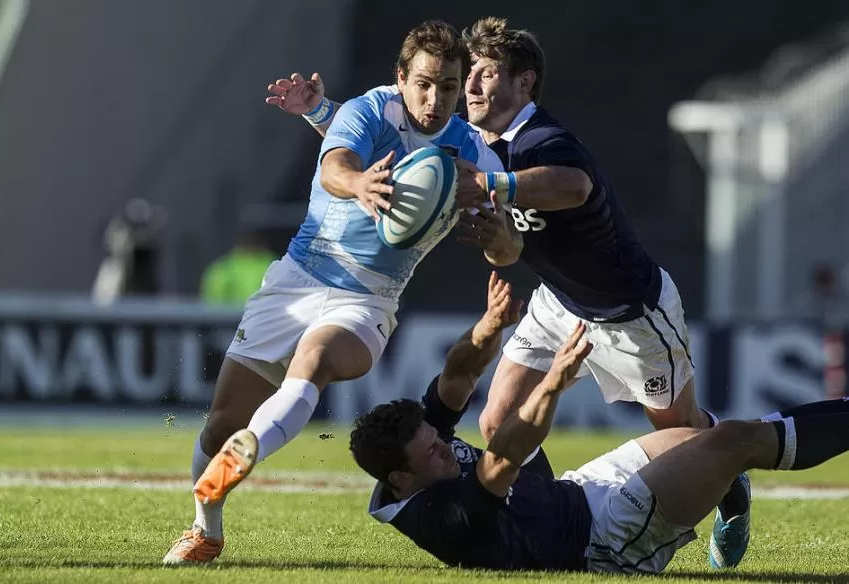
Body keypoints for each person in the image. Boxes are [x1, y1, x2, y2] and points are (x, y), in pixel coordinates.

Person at [266, 16, 750, 568]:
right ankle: (538, 503)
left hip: (626, 307)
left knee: (683, 436)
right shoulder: (470, 143)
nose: (469, 86)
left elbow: (575, 186)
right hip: (558, 301)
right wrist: (321, 113)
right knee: (496, 420)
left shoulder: (542, 139)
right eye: (466, 74)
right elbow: (393, 155)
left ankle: (731, 486)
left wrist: (499, 185)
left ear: (524, 84)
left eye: (486, 74)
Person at [162, 20, 517, 565]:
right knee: (220, 424)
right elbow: (334, 165)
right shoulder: (368, 110)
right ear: (401, 78)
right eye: (424, 83)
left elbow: (510, 248)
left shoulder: (473, 152)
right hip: (298, 278)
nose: (436, 98)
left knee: (318, 356)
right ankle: (205, 527)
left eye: (448, 86)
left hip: (370, 298)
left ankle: (251, 448)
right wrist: (360, 184)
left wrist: (498, 240)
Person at [346, 277, 849, 574]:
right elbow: (502, 459)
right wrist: (553, 385)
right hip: (600, 541)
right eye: (433, 452)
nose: (443, 447)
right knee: (735, 440)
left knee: (710, 440)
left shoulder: (414, 448)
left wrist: (489, 326)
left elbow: (456, 377)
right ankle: (726, 472)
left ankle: (724, 482)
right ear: (402, 482)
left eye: (437, 439)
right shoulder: (438, 517)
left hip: (579, 492)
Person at [200, 231, 276, 308]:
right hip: (255, 315)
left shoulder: (223, 267)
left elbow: (213, 298)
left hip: (237, 316)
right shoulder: (272, 264)